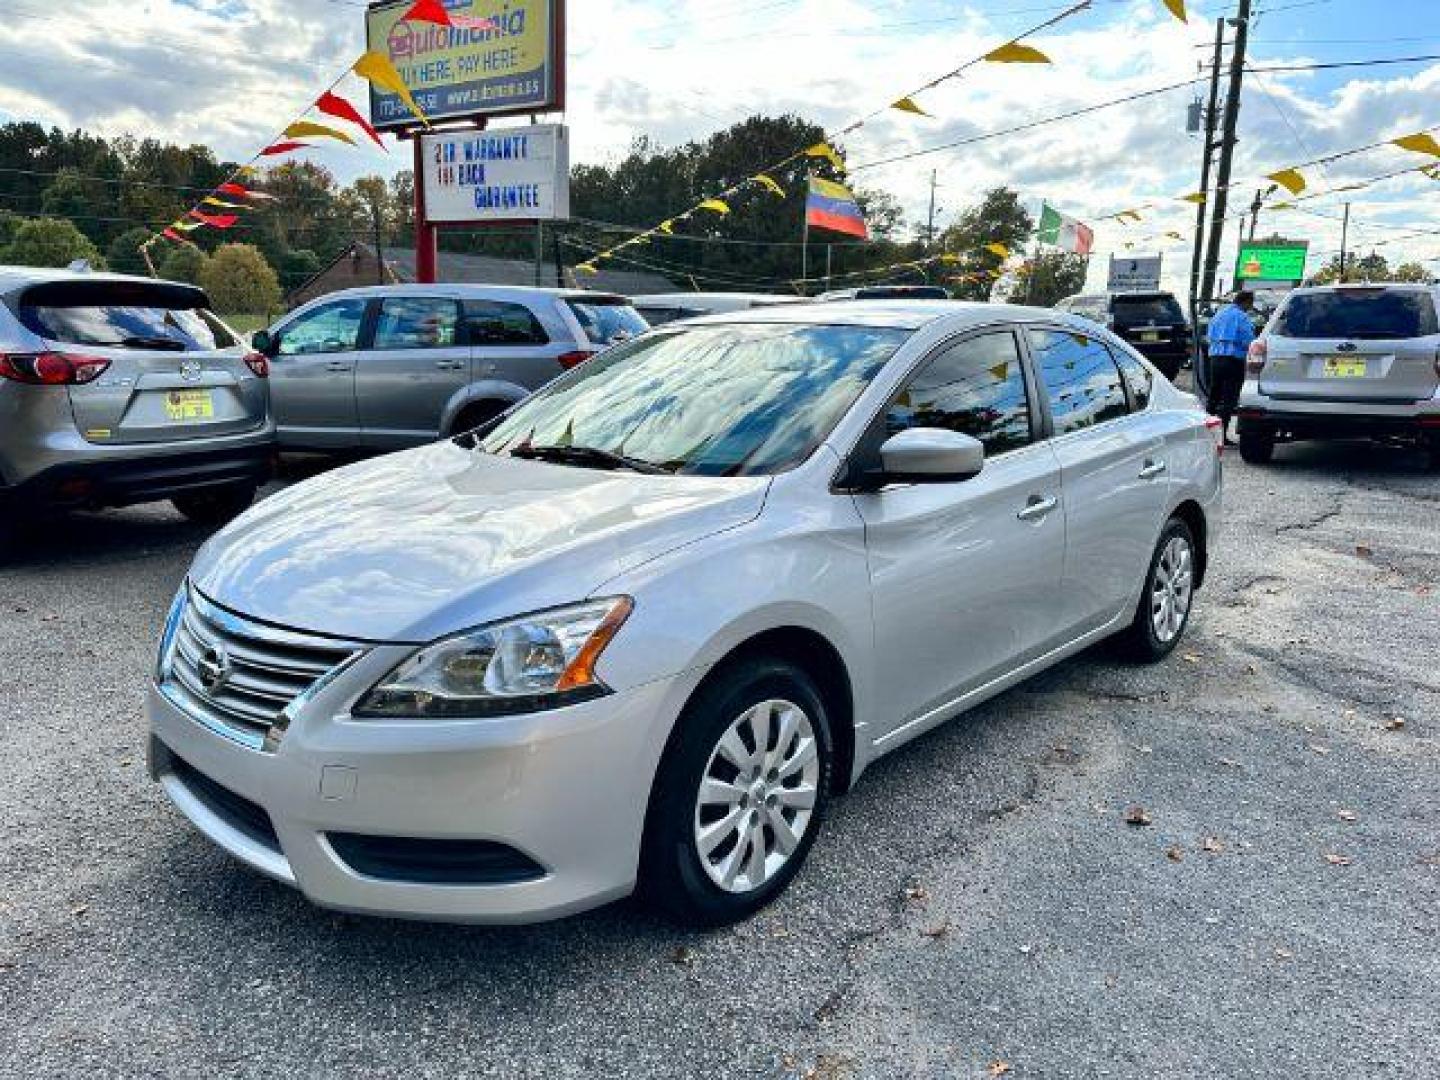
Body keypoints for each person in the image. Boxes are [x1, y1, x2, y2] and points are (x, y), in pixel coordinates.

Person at [1205, 289, 1256, 443]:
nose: (1250, 307)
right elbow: (1248, 340)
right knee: (1228, 399)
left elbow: (1209, 336)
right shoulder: (1242, 317)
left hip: (1215, 359)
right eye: (1250, 303)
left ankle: (1206, 434)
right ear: (1246, 302)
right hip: (1233, 361)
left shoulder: (1219, 315)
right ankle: (1221, 436)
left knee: (1214, 397)